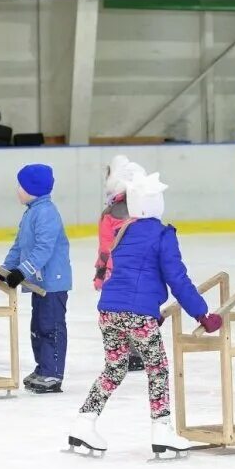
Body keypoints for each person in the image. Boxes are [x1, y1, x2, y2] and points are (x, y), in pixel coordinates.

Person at [68, 172, 222, 455]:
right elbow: (177, 279)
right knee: (158, 369)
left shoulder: (123, 231)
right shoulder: (163, 235)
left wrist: (151, 313)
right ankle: (162, 430)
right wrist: (202, 314)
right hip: (136, 315)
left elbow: (129, 277)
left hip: (109, 310)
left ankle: (84, 421)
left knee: (115, 367)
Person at [0, 164, 72, 394]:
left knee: (51, 327)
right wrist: (6, 269)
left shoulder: (46, 212)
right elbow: (20, 246)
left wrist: (22, 272)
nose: (17, 190)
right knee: (38, 327)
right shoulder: (31, 212)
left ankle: (53, 373)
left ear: (33, 189)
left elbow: (43, 249)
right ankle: (43, 367)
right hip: (39, 283)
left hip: (53, 283)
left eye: (21, 186)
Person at [94, 154, 147, 371]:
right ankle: (138, 351)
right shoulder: (143, 210)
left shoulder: (111, 213)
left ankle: (127, 353)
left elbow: (107, 248)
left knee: (118, 312)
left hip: (116, 274)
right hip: (139, 271)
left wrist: (100, 273)